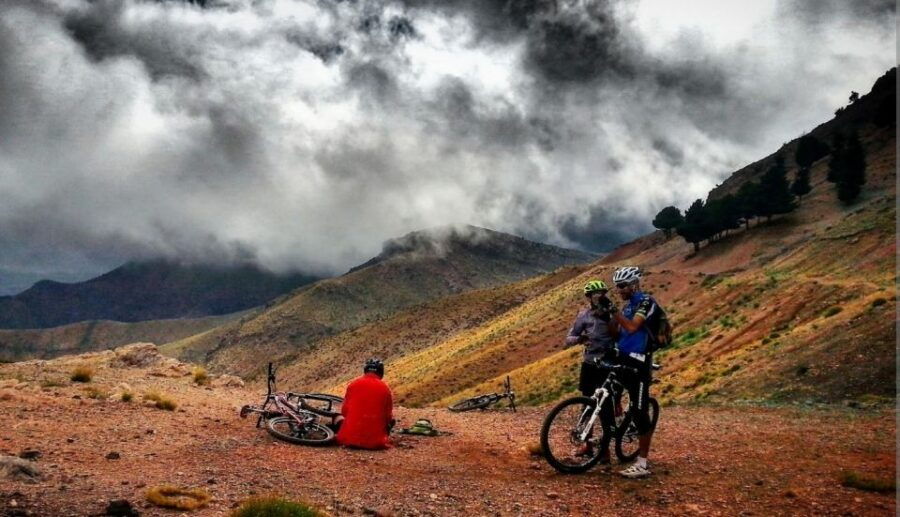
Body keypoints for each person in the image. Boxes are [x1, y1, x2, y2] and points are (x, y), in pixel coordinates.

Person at [608, 266, 661, 478]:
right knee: (612, 395)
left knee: (640, 412)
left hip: (639, 363)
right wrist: (608, 314)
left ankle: (642, 463)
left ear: (634, 284)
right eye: (617, 287)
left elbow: (631, 328)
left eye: (622, 286)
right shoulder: (629, 306)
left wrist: (614, 312)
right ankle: (613, 435)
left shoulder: (645, 302)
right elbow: (616, 332)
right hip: (623, 358)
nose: (619, 290)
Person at [564, 280, 619, 461]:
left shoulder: (612, 313)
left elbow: (621, 333)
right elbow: (569, 338)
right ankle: (587, 445)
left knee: (606, 409)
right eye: (595, 294)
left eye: (602, 293)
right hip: (589, 364)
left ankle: (605, 449)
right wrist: (581, 338)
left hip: (609, 363)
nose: (598, 297)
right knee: (587, 405)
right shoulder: (584, 315)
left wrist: (611, 315)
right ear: (589, 297)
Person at [335, 358, 395, 450]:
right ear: (381, 372)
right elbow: (388, 417)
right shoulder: (385, 389)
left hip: (348, 439)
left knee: (337, 418)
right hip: (376, 443)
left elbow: (344, 412)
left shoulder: (353, 385)